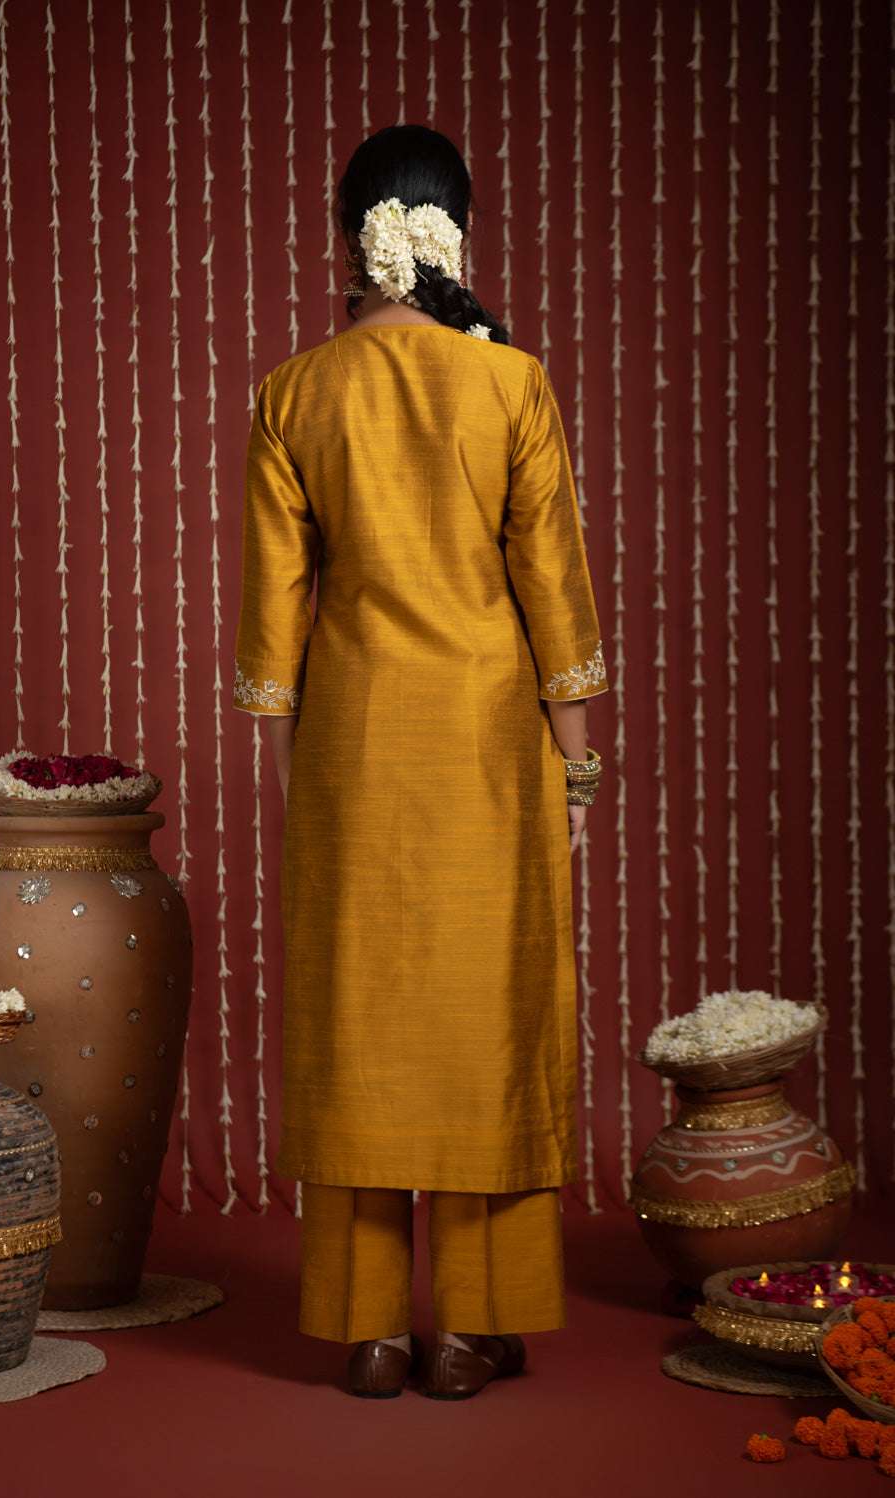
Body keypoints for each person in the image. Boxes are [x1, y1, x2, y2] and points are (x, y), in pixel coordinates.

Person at [234, 124, 607, 1400]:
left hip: (350, 746)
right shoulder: (511, 383)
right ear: (459, 232)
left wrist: (297, 778)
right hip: (488, 748)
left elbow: (272, 623)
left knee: (360, 1021)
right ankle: (470, 1329)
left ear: (347, 238)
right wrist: (575, 773)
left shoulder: (293, 392)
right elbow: (553, 593)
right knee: (485, 1015)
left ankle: (372, 1328)